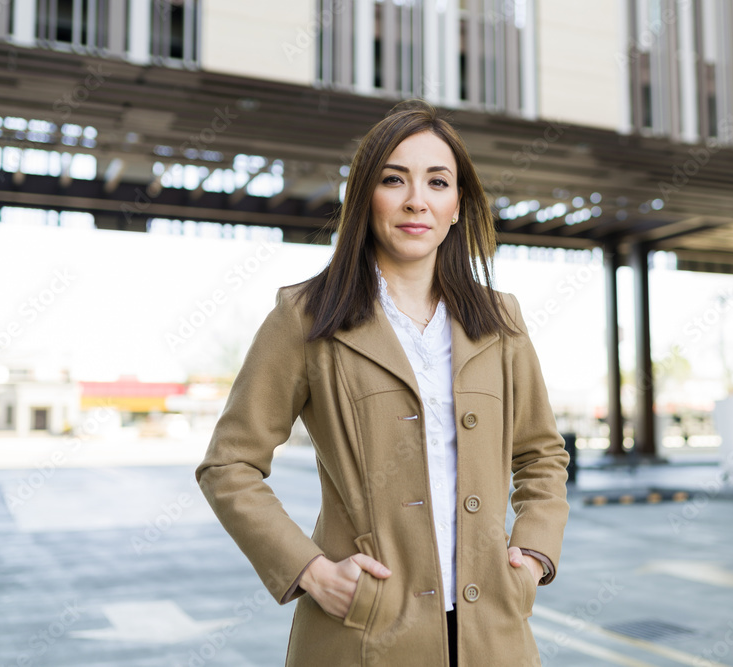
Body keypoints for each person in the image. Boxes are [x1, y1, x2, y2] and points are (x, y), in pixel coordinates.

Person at [195, 99, 570, 667]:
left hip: (493, 634)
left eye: (437, 182)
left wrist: (534, 555)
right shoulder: (305, 317)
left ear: (455, 206)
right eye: (394, 179)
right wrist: (312, 571)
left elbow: (541, 454)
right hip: (363, 635)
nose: (417, 199)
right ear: (364, 196)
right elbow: (229, 465)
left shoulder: (501, 320)